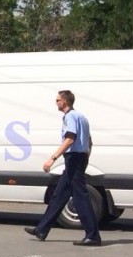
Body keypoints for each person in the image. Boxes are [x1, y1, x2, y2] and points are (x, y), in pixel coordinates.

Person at [25, 90, 101, 246]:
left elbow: (70, 138)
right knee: (59, 195)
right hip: (79, 157)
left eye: (58, 100)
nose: (56, 103)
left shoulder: (70, 117)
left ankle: (93, 236)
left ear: (65, 102)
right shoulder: (82, 117)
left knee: (80, 197)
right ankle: (42, 229)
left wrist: (52, 159)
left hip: (74, 158)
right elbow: (90, 141)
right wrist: (85, 156)